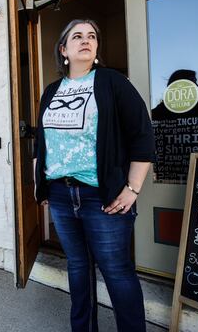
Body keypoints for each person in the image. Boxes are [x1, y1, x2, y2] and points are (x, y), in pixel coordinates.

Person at [34, 19, 155, 332]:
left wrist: (132, 188)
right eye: (77, 36)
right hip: (61, 194)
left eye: (91, 36)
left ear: (97, 47)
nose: (85, 40)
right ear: (63, 49)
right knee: (77, 267)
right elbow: (44, 141)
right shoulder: (51, 91)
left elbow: (142, 134)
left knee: (116, 271)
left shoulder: (112, 82)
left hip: (102, 196)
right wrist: (44, 188)